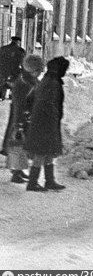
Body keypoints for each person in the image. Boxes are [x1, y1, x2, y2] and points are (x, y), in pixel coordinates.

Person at [23, 56, 70, 192]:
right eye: (64, 69)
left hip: (45, 122)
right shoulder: (52, 83)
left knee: (48, 153)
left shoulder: (47, 80)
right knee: (41, 153)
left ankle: (49, 181)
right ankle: (32, 183)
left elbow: (30, 99)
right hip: (45, 124)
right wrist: (51, 119)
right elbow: (49, 105)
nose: (65, 71)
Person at [1, 54, 44, 183]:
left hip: (27, 116)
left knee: (22, 146)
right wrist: (19, 124)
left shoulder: (31, 80)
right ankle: (16, 173)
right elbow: (19, 105)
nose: (40, 72)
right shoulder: (23, 83)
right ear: (32, 69)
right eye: (39, 70)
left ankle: (18, 171)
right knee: (18, 145)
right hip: (20, 117)